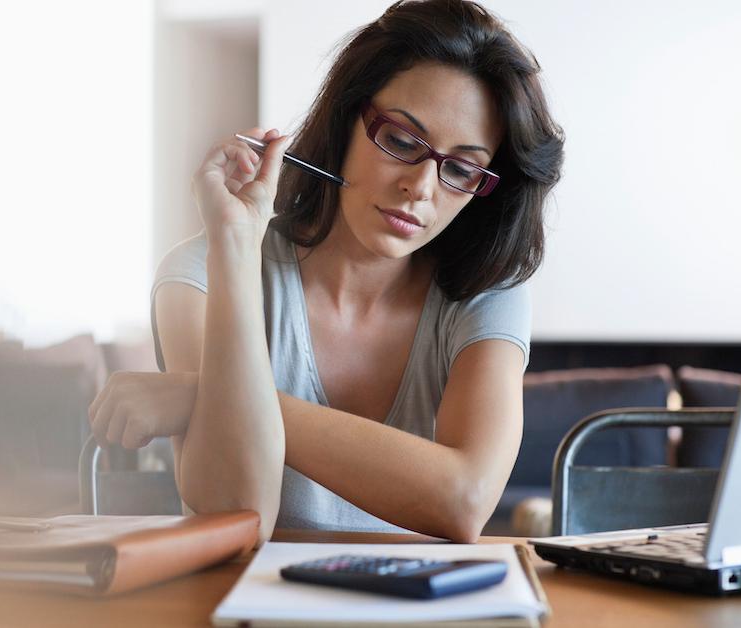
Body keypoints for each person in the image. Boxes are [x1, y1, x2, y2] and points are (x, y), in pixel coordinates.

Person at [88, 0, 564, 544]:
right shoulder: (200, 271)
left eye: (460, 168)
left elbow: (464, 501)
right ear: (344, 123)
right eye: (402, 141)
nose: (422, 187)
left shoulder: (486, 292)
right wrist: (237, 247)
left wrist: (205, 395)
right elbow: (236, 514)